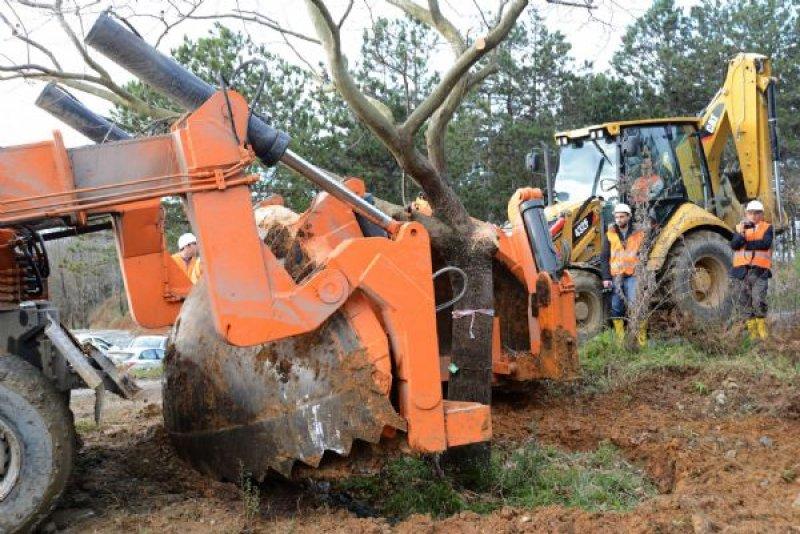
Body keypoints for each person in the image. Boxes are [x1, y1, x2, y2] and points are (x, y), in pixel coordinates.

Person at [600, 203, 646, 345]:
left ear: (628, 217)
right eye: (616, 217)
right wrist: (606, 278)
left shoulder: (639, 234)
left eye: (621, 217)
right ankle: (620, 341)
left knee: (635, 305)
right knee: (616, 307)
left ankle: (642, 340)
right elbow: (604, 257)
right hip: (616, 276)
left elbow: (644, 254)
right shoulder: (609, 235)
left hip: (633, 275)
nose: (618, 220)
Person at [729, 200, 773, 340]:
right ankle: (753, 336)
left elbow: (765, 243)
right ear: (746, 213)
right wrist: (741, 233)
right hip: (741, 272)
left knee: (759, 300)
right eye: (751, 213)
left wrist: (747, 244)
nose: (753, 216)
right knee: (744, 303)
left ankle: (763, 334)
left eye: (757, 213)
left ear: (762, 214)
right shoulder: (738, 228)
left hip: (759, 272)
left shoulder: (767, 227)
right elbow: (734, 245)